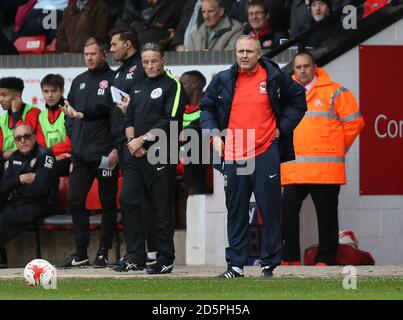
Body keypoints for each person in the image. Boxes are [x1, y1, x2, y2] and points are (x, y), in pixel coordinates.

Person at [200, 35, 307, 278]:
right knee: (235, 210)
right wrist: (214, 135)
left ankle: (269, 264)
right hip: (234, 154)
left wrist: (282, 128)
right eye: (240, 52)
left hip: (265, 151)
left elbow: (298, 100)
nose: (244, 55)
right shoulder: (224, 79)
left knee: (269, 209)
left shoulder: (275, 76)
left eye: (249, 51)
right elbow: (206, 107)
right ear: (235, 54)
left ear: (259, 54)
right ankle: (235, 266)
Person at [281, 51, 365, 266]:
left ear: (314, 66)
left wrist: (338, 148)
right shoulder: (285, 93)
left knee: (327, 217)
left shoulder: (335, 92)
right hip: (295, 168)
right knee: (287, 213)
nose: (302, 70)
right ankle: (289, 259)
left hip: (325, 169)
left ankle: (325, 259)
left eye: (306, 66)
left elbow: (354, 123)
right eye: (298, 67)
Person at [114, 42, 186, 274]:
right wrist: (133, 144)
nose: (150, 65)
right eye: (145, 62)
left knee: (160, 208)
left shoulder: (172, 85)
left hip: (161, 153)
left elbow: (170, 121)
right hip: (136, 153)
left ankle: (165, 258)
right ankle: (136, 256)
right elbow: (129, 120)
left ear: (163, 60)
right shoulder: (138, 85)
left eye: (154, 61)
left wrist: (143, 140)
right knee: (128, 199)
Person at [58, 37, 118, 267]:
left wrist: (115, 147)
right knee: (75, 199)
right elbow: (69, 113)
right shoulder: (79, 81)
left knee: (107, 202)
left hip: (105, 155)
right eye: (86, 54)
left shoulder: (114, 80)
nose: (90, 58)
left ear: (104, 53)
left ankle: (103, 251)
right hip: (82, 155)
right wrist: (75, 138)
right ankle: (80, 252)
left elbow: (118, 116)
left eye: (94, 53)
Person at [108, 27, 157, 265]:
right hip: (125, 143)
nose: (111, 48)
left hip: (144, 145)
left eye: (114, 44)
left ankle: (154, 251)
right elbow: (116, 113)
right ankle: (137, 254)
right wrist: (119, 144)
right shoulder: (118, 74)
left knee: (145, 200)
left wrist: (138, 140)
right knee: (129, 199)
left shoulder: (141, 67)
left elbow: (146, 106)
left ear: (128, 44)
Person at [0, 122, 58, 248]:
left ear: (34, 137)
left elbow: (40, 188)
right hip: (19, 202)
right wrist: (20, 179)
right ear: (15, 142)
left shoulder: (44, 155)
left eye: (26, 136)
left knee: (8, 216)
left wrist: (15, 188)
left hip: (42, 203)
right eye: (18, 138)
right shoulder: (15, 156)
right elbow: (2, 187)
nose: (23, 140)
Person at [36, 74, 72, 177]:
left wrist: (50, 153)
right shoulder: (41, 116)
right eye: (46, 91)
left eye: (54, 91)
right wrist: (52, 155)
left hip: (68, 158)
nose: (50, 95)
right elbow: (41, 145)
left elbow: (70, 143)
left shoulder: (69, 110)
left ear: (62, 91)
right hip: (50, 158)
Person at [0, 77, 41, 161]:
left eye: (4, 95)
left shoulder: (33, 112)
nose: (1, 99)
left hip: (29, 161)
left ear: (17, 96)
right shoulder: (2, 120)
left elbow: (28, 144)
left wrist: (15, 114)